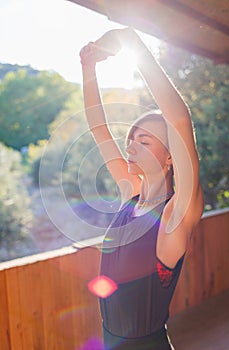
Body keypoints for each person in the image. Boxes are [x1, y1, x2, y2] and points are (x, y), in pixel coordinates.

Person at [80, 27, 204, 350]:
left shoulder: (175, 215)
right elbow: (98, 128)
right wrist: (88, 68)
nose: (131, 145)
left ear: (169, 158)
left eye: (145, 140)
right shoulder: (129, 195)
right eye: (131, 139)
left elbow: (179, 120)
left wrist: (132, 42)